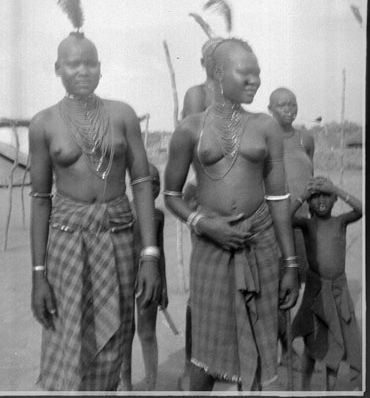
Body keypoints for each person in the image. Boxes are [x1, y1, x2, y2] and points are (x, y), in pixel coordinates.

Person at [164, 38, 299, 391]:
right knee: (205, 356)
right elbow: (171, 195)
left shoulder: (266, 127)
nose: (254, 81)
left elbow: (279, 197)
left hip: (261, 244)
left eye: (258, 74)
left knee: (257, 346)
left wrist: (290, 264)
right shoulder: (190, 129)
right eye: (246, 73)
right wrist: (204, 224)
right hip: (212, 247)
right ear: (219, 73)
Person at [29, 31, 161, 391]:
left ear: (101, 69)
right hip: (66, 242)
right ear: (58, 68)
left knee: (115, 335)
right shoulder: (43, 123)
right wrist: (38, 274)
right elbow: (41, 198)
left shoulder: (122, 115)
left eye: (90, 63)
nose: (83, 70)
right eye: (73, 64)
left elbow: (141, 183)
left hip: (116, 237)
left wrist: (150, 254)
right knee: (65, 335)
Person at [290, 176, 362, 391]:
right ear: (309, 203)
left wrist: (337, 189)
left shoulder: (340, 222)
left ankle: (329, 391)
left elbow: (361, 209)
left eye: (326, 195)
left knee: (335, 342)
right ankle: (304, 388)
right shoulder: (308, 224)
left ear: (334, 200)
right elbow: (285, 218)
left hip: (338, 292)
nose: (321, 200)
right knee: (312, 341)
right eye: (316, 197)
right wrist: (303, 194)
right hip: (316, 292)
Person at [178, 37, 221, 390]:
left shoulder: (232, 95)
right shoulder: (198, 94)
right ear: (202, 60)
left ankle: (217, 359)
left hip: (229, 199)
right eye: (211, 55)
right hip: (205, 196)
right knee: (203, 284)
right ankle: (194, 363)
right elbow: (194, 141)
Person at [268, 87, 315, 370]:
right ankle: (281, 349)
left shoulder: (305, 138)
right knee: (273, 288)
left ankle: (293, 348)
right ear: (270, 108)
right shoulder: (265, 138)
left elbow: (310, 176)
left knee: (298, 286)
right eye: (282, 105)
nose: (288, 109)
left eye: (292, 104)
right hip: (273, 227)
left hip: (301, 226)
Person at [119, 163, 168, 391]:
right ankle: (126, 383)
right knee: (125, 332)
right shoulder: (124, 212)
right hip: (124, 278)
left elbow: (160, 253)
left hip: (149, 280)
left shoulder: (158, 216)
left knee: (147, 332)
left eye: (158, 183)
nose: (155, 187)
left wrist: (164, 286)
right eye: (150, 182)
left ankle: (151, 385)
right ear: (135, 185)